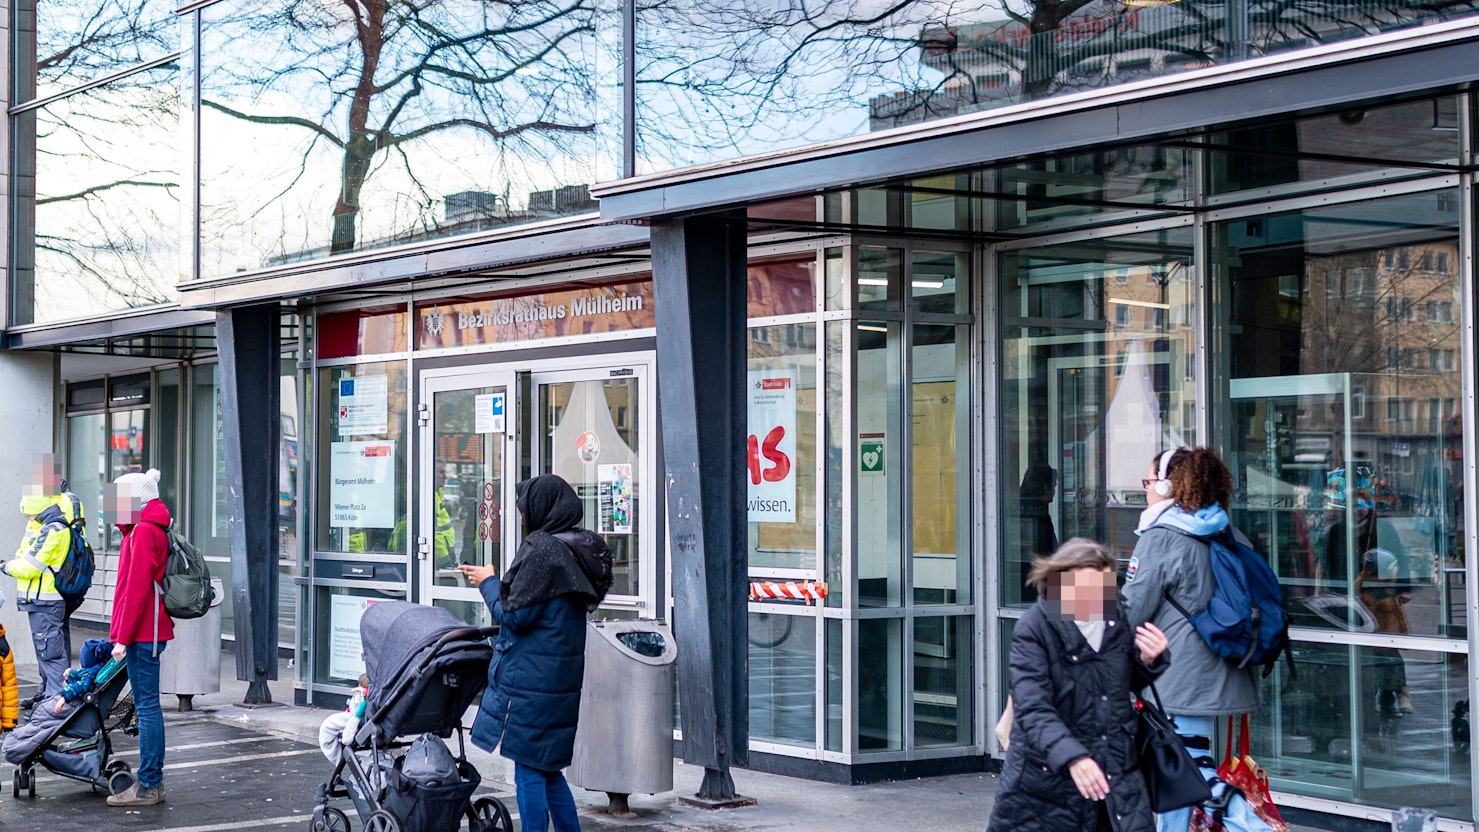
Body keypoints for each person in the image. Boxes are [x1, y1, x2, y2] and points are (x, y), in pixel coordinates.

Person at [1122, 447, 1273, 832]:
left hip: (1179, 678)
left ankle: (1256, 828)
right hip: (1224, 670)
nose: (1146, 489)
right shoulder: (1228, 532)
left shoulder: (1161, 537)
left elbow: (1132, 608)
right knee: (1180, 773)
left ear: (1168, 485)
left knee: (1193, 776)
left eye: (1149, 481)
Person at [458, 475, 612, 832]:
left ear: (541, 507)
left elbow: (513, 617)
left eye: (524, 507)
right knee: (546, 768)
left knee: (527, 769)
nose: (522, 515)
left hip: (532, 682)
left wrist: (488, 582)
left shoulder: (542, 550)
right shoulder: (574, 548)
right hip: (557, 681)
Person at [986, 538, 1169, 832]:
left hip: (1116, 776)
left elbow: (1118, 686)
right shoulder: (1034, 628)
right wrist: (1074, 758)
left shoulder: (1115, 616)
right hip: (1045, 788)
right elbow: (1034, 710)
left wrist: (1148, 659)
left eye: (1104, 588)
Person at [105, 469, 174, 808]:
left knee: (147, 707)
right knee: (148, 707)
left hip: (144, 633)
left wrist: (122, 637)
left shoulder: (144, 532)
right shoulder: (143, 530)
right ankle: (151, 781)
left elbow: (135, 591)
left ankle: (148, 784)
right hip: (146, 631)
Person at [3, 454, 82, 710]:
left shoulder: (62, 510)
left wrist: (6, 567)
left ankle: (56, 700)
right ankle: (49, 694)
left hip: (50, 593)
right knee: (47, 648)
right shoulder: (45, 515)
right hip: (42, 595)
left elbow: (32, 563)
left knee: (52, 648)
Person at [2, 638, 122, 764]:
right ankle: (18, 742)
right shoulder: (97, 670)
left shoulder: (91, 674)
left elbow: (81, 685)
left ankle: (16, 747)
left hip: (71, 708)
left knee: (41, 720)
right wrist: (71, 674)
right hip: (79, 707)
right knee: (40, 720)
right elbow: (81, 678)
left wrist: (64, 698)